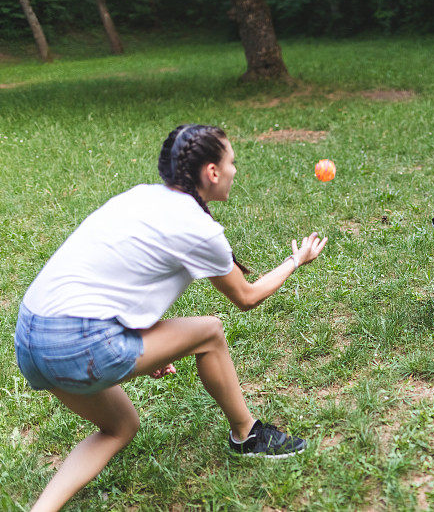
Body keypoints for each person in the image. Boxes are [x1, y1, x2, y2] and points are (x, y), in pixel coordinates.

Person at [14, 124, 327, 512]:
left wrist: (148, 349)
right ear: (212, 172)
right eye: (232, 162)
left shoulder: (139, 197)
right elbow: (246, 297)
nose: (235, 171)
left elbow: (113, 277)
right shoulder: (199, 229)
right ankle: (247, 435)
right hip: (78, 343)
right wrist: (295, 260)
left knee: (120, 427)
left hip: (29, 338)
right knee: (209, 331)